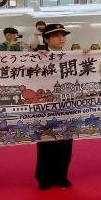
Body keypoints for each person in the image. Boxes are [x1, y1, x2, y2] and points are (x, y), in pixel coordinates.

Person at [34, 23, 74, 190]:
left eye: (63, 35)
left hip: (66, 106)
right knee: (46, 142)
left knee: (65, 143)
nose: (61, 38)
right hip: (45, 108)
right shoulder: (37, 56)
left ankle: (61, 176)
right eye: (56, 35)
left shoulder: (71, 56)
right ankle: (44, 178)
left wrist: (87, 55)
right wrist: (35, 56)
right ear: (46, 39)